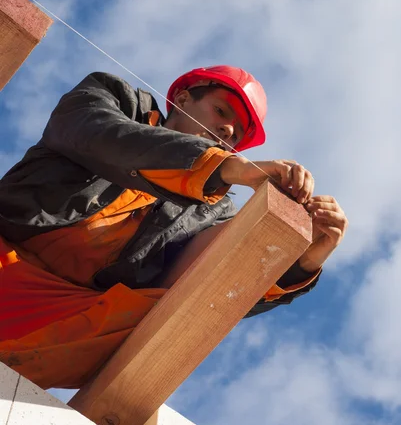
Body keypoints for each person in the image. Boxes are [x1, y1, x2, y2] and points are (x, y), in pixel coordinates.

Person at [0, 66, 347, 390]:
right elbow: (94, 132)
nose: (227, 132)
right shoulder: (118, 98)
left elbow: (212, 289)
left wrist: (301, 258)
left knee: (166, 318)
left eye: (236, 136)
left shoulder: (213, 210)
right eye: (222, 112)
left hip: (61, 321)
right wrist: (228, 169)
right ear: (182, 99)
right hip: (6, 250)